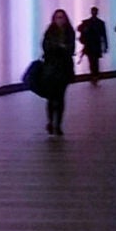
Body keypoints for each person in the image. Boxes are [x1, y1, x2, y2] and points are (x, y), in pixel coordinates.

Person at [40, 8, 77, 136]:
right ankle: (50, 121)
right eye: (57, 17)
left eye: (61, 17)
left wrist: (59, 48)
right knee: (51, 97)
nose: (59, 20)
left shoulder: (70, 32)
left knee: (60, 97)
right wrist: (59, 47)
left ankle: (58, 124)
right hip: (51, 69)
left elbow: (71, 49)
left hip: (64, 69)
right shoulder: (50, 31)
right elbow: (45, 46)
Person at [77, 7, 108, 82]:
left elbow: (104, 35)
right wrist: (105, 46)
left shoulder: (88, 22)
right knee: (93, 61)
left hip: (92, 45)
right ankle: (95, 75)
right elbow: (104, 35)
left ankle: (94, 75)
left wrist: (105, 46)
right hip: (92, 45)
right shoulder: (98, 23)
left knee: (93, 61)